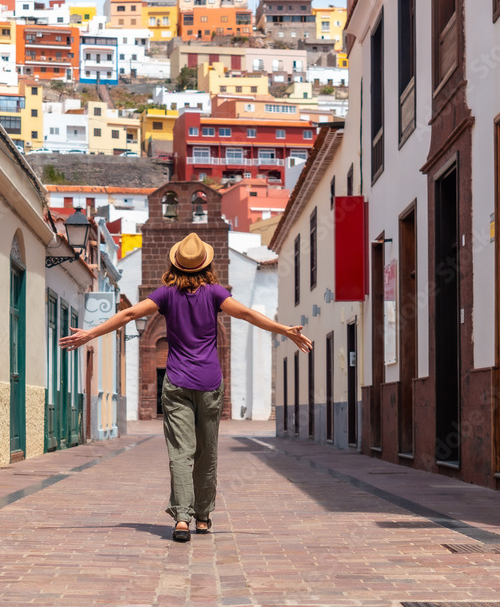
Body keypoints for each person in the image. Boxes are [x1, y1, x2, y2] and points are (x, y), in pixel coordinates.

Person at [59, 232, 313, 542]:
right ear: (206, 265)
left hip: (176, 381)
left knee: (181, 453)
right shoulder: (216, 293)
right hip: (209, 383)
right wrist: (283, 330)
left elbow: (128, 313)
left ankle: (182, 518)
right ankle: (203, 517)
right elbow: (246, 313)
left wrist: (90, 334)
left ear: (175, 265)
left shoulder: (165, 295)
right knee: (207, 453)